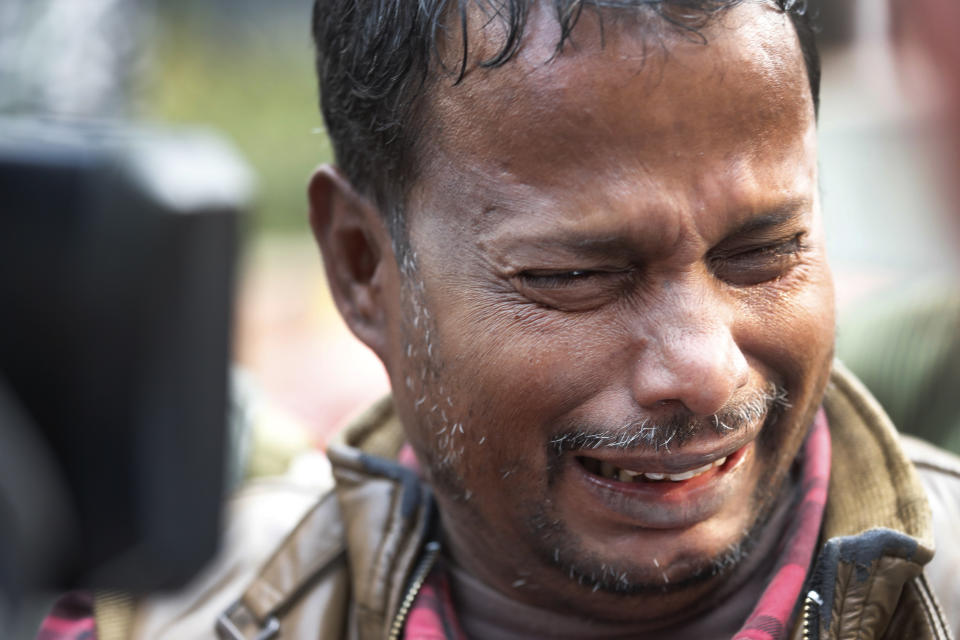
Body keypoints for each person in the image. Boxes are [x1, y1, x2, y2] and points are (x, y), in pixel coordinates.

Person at [127, 1, 960, 638]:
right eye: (576, 276)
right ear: (361, 266)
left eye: (766, 251)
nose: (707, 370)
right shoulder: (189, 615)